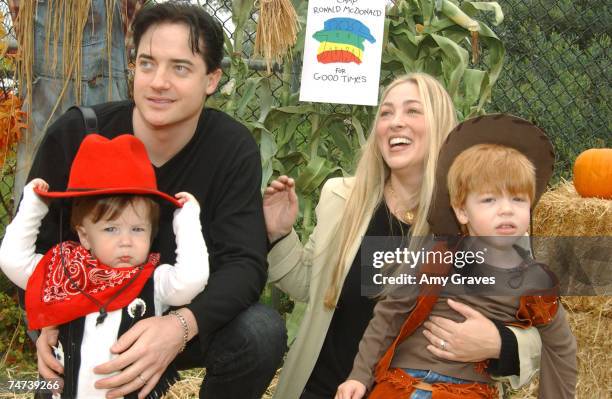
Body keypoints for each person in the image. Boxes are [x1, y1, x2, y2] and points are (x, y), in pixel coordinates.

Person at [27, 3, 286, 399]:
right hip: (89, 316)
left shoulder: (231, 149)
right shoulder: (78, 135)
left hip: (179, 316)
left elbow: (244, 264)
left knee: (260, 331)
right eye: (147, 64)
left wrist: (179, 327)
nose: (158, 82)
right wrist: (48, 321)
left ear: (211, 79)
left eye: (180, 68)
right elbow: (35, 245)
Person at [264, 74, 542, 399]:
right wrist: (280, 234)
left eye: (412, 111)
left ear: (440, 126)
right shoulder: (341, 198)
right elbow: (310, 286)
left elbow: (538, 329)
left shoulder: (478, 218)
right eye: (386, 113)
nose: (395, 123)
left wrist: (498, 343)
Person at [336, 114, 577, 398]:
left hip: (467, 390)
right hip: (401, 381)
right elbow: (391, 312)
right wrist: (360, 375)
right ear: (462, 210)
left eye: (518, 199)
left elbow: (561, 348)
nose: (506, 210)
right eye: (489, 199)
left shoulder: (534, 279)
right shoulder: (438, 253)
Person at [0, 133, 208, 398]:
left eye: (137, 229)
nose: (126, 241)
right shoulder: (64, 270)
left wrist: (187, 221)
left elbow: (192, 280)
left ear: (152, 232)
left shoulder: (152, 280)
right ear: (85, 235)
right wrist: (34, 205)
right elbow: (12, 260)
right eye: (110, 229)